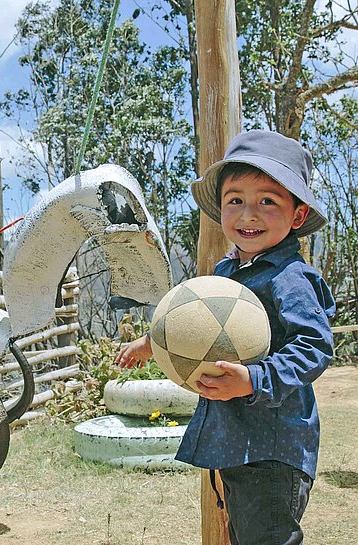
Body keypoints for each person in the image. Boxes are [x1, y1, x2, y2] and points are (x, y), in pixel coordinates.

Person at [117, 130, 335, 545]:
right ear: (221, 210)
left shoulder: (291, 278)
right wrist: (155, 342)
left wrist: (254, 379)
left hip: (273, 447)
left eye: (267, 201)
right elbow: (197, 322)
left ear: (298, 216)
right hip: (236, 443)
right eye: (236, 200)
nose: (248, 214)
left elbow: (315, 346)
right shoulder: (225, 273)